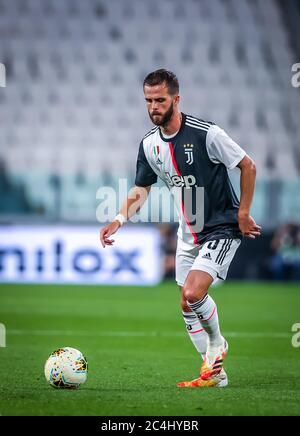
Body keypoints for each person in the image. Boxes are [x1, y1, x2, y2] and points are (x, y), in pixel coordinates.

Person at [100, 69, 261, 388]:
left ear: (176, 99)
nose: (153, 107)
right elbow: (141, 189)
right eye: (148, 100)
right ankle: (215, 376)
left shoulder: (206, 134)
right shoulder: (148, 145)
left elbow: (248, 165)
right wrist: (118, 220)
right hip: (188, 233)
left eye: (160, 100)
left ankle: (218, 345)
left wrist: (243, 212)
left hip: (222, 227)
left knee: (193, 292)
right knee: (186, 304)